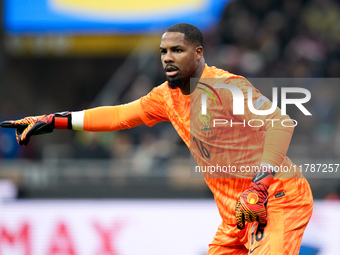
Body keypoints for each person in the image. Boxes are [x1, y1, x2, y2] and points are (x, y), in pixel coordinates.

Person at [1, 23, 313, 254]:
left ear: (198, 53)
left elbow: (281, 123)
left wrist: (259, 184)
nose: (167, 57)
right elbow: (118, 115)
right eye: (163, 51)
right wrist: (55, 121)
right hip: (236, 211)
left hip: (275, 197)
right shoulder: (164, 97)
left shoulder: (226, 86)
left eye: (177, 50)